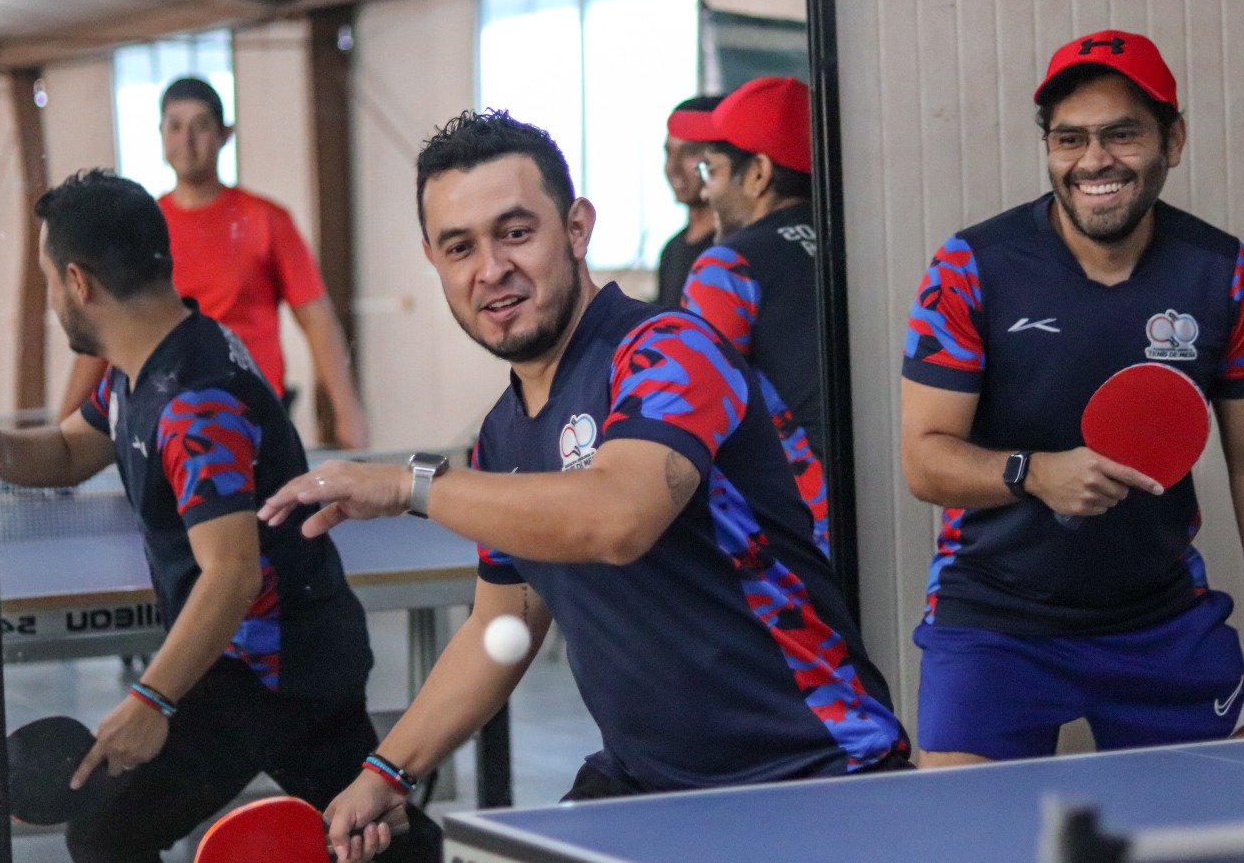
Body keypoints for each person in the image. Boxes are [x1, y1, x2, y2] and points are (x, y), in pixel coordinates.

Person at [258, 109, 910, 862]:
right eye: (460, 247)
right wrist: (387, 770)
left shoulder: (668, 351)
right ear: (434, 261)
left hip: (813, 773)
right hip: (648, 786)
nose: (491, 269)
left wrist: (413, 486)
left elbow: (616, 516)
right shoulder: (502, 435)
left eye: (515, 232)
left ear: (576, 229)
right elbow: (503, 628)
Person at [899, 30, 1244, 767]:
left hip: (1162, 622)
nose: (1094, 161)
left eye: (1122, 134)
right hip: (992, 622)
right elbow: (925, 462)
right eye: (1070, 139)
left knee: (1214, 828)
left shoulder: (1224, 273)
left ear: (1172, 141)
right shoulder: (969, 268)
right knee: (962, 828)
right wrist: (1034, 474)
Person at [0, 170, 426, 862]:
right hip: (297, 648)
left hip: (267, 669)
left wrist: (152, 699)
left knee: (106, 836)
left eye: (50, 281)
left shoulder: (194, 402)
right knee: (373, 835)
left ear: (78, 282)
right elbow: (69, 451)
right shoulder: (146, 365)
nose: (53, 299)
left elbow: (231, 572)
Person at [56, 76, 368, 450]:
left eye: (200, 126)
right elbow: (106, 326)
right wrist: (63, 428)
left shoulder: (266, 220)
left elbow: (316, 319)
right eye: (175, 126)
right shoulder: (138, 231)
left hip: (250, 420)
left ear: (224, 134)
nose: (187, 139)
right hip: (160, 423)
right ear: (160, 134)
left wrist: (348, 414)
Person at [680, 77, 829, 553]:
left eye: (712, 170)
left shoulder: (727, 267)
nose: (707, 193)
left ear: (759, 174)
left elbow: (692, 411)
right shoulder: (853, 246)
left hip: (790, 531)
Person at [653, 94, 721, 305]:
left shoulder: (732, 248)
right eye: (668, 152)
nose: (672, 167)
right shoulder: (671, 251)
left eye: (690, 152)